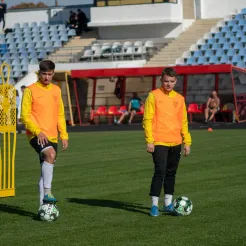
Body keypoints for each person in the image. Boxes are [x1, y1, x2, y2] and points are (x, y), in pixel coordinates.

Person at [143, 67, 192, 217]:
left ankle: (168, 204)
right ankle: (154, 206)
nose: (168, 84)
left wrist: (187, 142)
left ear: (176, 81)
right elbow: (147, 119)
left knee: (171, 173)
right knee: (160, 172)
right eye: (166, 81)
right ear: (161, 80)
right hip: (159, 142)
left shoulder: (179, 98)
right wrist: (150, 141)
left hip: (176, 142)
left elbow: (183, 121)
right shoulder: (153, 96)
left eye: (171, 81)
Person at [21, 60, 69, 208]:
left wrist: (64, 135)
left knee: (46, 169)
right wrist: (37, 131)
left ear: (53, 74)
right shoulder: (30, 90)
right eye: (44, 74)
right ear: (39, 73)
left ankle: (43, 206)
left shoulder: (56, 90)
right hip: (36, 134)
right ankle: (48, 193)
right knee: (50, 154)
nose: (47, 77)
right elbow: (25, 116)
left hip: (53, 135)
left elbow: (60, 114)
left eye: (49, 74)